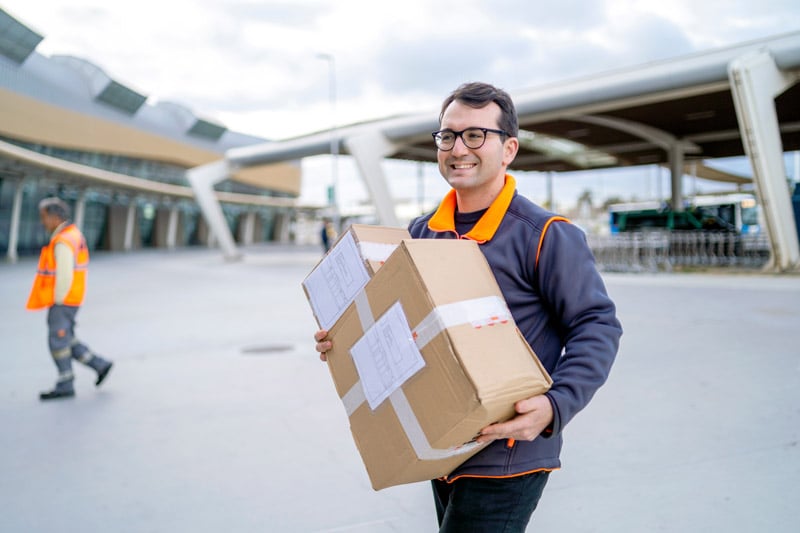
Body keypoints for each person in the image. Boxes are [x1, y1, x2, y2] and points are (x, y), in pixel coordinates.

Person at [314, 82, 622, 531]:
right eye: (447, 136)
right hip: (443, 447)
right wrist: (343, 340)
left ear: (509, 148)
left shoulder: (543, 233)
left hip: (508, 451)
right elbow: (399, 321)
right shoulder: (422, 231)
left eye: (475, 135)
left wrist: (556, 405)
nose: (458, 148)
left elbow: (597, 325)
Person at [26, 197, 113, 401]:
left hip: (64, 300)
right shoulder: (72, 235)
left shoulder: (63, 240)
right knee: (67, 338)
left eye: (44, 217)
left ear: (55, 217)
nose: (43, 222)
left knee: (58, 340)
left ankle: (65, 383)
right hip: (72, 297)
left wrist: (58, 299)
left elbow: (65, 273)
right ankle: (99, 364)